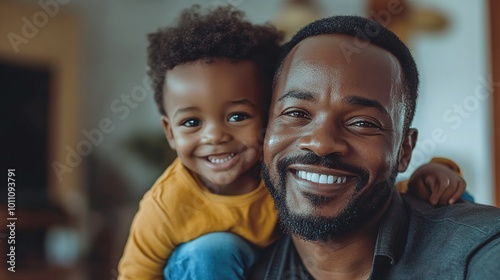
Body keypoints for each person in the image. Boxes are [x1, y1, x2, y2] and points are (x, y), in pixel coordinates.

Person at [117, 7, 468, 280]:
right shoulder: (165, 207)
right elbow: (135, 272)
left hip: (282, 257)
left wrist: (436, 172)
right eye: (192, 123)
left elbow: (373, 187)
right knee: (211, 251)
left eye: (238, 116)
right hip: (214, 266)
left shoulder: (276, 169)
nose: (214, 137)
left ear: (266, 117)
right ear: (169, 131)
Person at [250, 15, 500, 279]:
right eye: (297, 113)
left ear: (404, 150)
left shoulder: (479, 249)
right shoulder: (231, 266)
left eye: (362, 123)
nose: (321, 144)